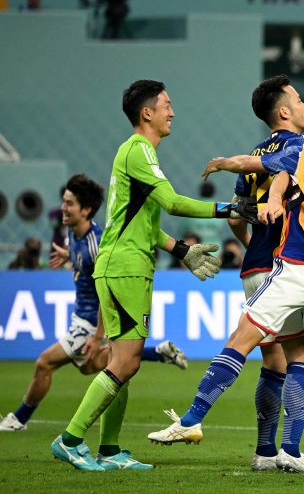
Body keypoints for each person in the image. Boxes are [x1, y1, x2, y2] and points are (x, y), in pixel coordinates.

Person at [148, 115, 304, 475]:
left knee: (243, 338)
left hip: (294, 268)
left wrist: (250, 183)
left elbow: (273, 172)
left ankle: (192, 418)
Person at [51, 80, 244, 471]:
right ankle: (70, 440)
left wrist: (181, 249)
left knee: (123, 360)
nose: (172, 112)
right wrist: (230, 208)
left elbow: (143, 223)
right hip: (124, 268)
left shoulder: (137, 154)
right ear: (147, 113)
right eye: (167, 105)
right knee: (125, 362)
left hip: (129, 266)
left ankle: (108, 449)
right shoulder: (138, 150)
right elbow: (172, 202)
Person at [1, 174, 187, 434]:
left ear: (86, 210)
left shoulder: (96, 243)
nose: (63, 209)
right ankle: (158, 352)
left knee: (45, 363)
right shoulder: (74, 233)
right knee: (95, 366)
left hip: (90, 321)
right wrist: (70, 256)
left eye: (69, 204)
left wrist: (98, 334)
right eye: (64, 202)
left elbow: (105, 291)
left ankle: (18, 419)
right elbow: (85, 261)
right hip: (83, 318)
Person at [224, 75, 304, 470]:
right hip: (285, 265)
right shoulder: (302, 146)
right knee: (301, 357)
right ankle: (290, 452)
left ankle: (264, 451)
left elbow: (234, 216)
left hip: (254, 266)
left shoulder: (253, 155)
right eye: (298, 99)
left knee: (273, 362)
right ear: (283, 111)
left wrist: (253, 247)